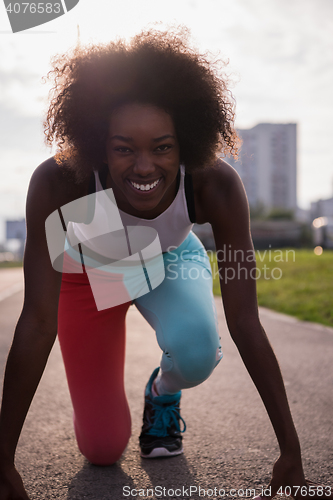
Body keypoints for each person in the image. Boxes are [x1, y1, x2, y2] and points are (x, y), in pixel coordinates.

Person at [0, 27, 327, 500]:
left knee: (195, 352)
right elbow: (35, 321)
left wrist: (291, 453)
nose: (145, 166)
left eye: (163, 146)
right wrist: (4, 458)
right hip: (86, 281)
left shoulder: (216, 186)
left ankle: (162, 393)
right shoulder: (59, 183)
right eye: (123, 149)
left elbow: (245, 321)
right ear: (98, 145)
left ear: (186, 143)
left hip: (168, 261)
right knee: (102, 449)